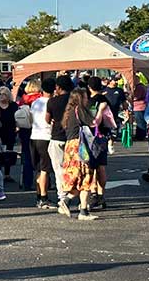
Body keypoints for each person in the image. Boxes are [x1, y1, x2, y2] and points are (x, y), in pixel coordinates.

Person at [58, 88, 98, 221]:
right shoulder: (80, 110)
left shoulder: (69, 112)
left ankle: (72, 204)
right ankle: (81, 210)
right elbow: (93, 123)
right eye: (85, 97)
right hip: (80, 147)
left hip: (70, 147)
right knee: (86, 177)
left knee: (78, 179)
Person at [87, 76, 114, 210]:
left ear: (89, 87)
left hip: (91, 135)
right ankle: (101, 194)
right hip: (103, 134)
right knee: (101, 166)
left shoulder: (89, 102)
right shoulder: (105, 100)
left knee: (91, 166)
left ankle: (93, 193)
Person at [46, 75, 73, 209]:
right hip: (72, 136)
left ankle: (62, 196)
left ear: (58, 87)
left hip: (57, 136)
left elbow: (47, 119)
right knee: (74, 167)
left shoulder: (52, 101)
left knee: (59, 169)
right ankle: (75, 194)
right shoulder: (74, 100)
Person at [29, 78, 55, 209]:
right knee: (45, 169)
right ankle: (44, 198)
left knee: (39, 169)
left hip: (34, 135)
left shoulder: (35, 103)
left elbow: (31, 118)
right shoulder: (52, 103)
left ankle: (39, 196)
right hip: (46, 136)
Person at [16, 79, 42, 191]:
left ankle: (27, 182)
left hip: (24, 129)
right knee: (41, 156)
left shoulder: (23, 99)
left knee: (27, 156)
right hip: (38, 129)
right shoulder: (40, 99)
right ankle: (42, 181)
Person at [0, 86, 18, 183]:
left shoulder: (13, 106)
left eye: (4, 94)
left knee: (9, 153)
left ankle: (7, 174)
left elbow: (17, 117)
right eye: (0, 94)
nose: (2, 96)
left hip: (10, 131)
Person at [104, 76, 127, 154]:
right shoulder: (104, 90)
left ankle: (111, 144)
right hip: (106, 114)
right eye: (115, 80)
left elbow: (124, 102)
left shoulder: (119, 90)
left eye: (117, 80)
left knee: (114, 131)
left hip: (116, 113)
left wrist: (126, 111)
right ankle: (106, 144)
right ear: (110, 81)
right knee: (106, 131)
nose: (116, 82)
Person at [131, 76, 148, 141]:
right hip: (140, 106)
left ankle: (141, 136)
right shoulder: (141, 86)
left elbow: (137, 97)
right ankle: (139, 135)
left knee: (140, 122)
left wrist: (131, 97)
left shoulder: (139, 87)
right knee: (140, 122)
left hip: (139, 107)